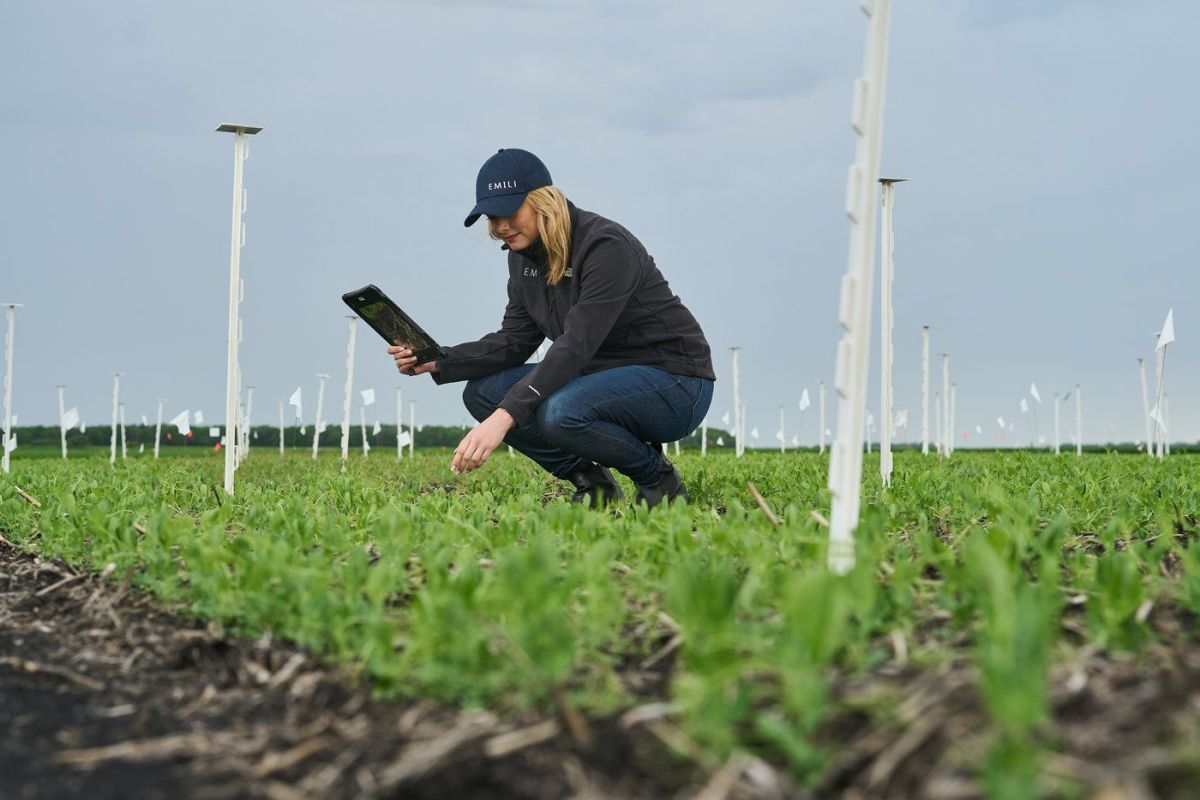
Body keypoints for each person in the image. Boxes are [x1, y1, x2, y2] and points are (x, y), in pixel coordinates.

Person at [390, 148, 714, 507]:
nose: (499, 228)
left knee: (560, 411)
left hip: (675, 382)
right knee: (483, 392)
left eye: (508, 213)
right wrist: (440, 360)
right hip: (600, 378)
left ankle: (658, 480)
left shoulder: (605, 246)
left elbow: (576, 344)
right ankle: (593, 485)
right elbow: (514, 340)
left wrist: (506, 416)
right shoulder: (522, 259)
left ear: (544, 201)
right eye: (491, 217)